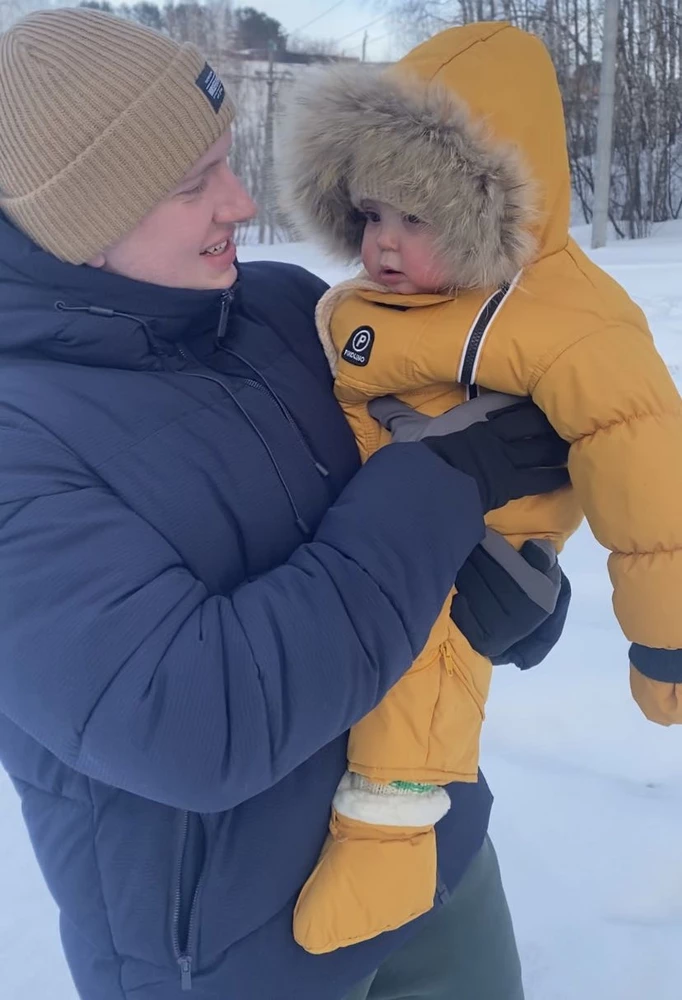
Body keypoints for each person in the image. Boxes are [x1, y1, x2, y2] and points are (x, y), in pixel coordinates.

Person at [0, 9, 570, 1000]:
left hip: (429, 845)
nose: (241, 199)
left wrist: (504, 574)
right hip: (239, 957)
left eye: (225, 161)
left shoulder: (276, 306)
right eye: (192, 184)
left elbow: (405, 505)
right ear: (78, 223)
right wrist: (441, 485)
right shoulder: (19, 439)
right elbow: (198, 721)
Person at [278, 19, 682, 957]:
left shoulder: (567, 321)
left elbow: (648, 474)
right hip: (360, 526)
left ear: (487, 208)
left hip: (481, 549)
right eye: (370, 214)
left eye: (416, 219)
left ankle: (387, 837)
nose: (381, 244)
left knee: (422, 667)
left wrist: (663, 637)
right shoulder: (357, 306)